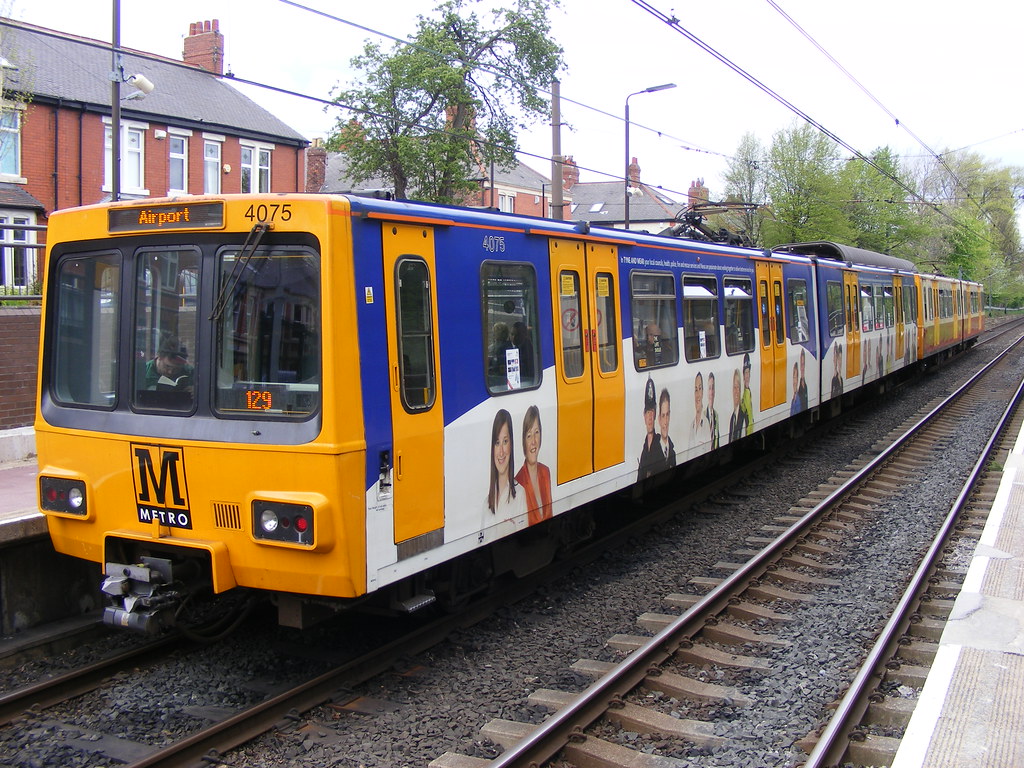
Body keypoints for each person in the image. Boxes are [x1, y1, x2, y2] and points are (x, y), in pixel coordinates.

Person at [486, 409, 526, 520]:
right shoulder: (486, 504)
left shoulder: (520, 494)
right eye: (497, 443)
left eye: (505, 441)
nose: (501, 452)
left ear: (511, 444)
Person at [515, 405, 552, 526]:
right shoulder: (518, 482)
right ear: (523, 442)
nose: (534, 441)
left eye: (537, 432)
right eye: (529, 436)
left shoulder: (545, 472)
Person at [637, 378, 662, 480]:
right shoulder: (643, 450)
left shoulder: (660, 445)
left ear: (655, 414)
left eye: (652, 412)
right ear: (644, 415)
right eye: (648, 413)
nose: (650, 418)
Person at [657, 388, 676, 470]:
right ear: (659, 419)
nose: (665, 422)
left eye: (667, 415)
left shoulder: (673, 452)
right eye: (663, 415)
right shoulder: (652, 451)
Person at [690, 372, 708, 450]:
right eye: (695, 390)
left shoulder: (706, 424)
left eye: (700, 389)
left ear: (703, 392)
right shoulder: (692, 426)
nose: (697, 394)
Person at [729, 368, 747, 443]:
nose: (736, 391)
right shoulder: (732, 418)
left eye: (738, 388)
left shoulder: (742, 416)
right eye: (734, 387)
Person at [705, 372, 720, 449]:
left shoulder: (716, 415)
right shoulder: (703, 417)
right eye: (709, 388)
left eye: (713, 388)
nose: (711, 393)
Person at [740, 353, 754, 436]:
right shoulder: (744, 396)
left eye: (748, 372)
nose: (747, 376)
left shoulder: (748, 392)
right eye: (746, 373)